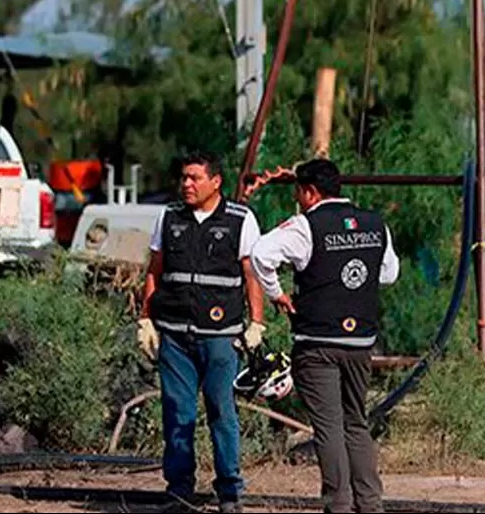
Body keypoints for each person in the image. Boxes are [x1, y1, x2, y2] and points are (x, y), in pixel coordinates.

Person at [249, 158, 399, 514]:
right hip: (360, 342)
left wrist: (276, 294)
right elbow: (389, 273)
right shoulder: (376, 224)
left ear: (309, 192)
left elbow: (260, 254)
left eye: (299, 193)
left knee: (329, 428)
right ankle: (370, 504)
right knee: (356, 423)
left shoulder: (305, 226)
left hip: (317, 344)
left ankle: (339, 506)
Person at [136, 151, 266, 514]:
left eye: (194, 178)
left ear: (216, 181)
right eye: (184, 177)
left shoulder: (240, 219)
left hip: (220, 336)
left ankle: (229, 492)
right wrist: (146, 319)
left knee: (221, 410)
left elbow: (251, 273)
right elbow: (154, 270)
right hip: (175, 335)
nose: (187, 184)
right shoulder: (170, 217)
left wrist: (257, 322)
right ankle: (179, 492)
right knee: (177, 414)